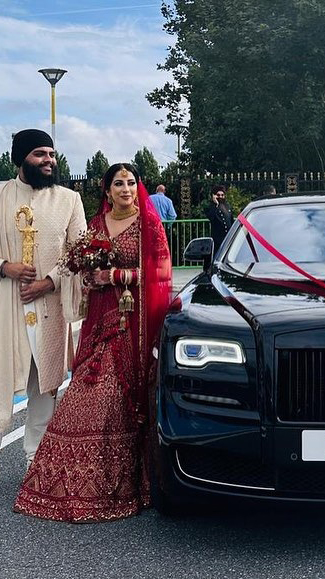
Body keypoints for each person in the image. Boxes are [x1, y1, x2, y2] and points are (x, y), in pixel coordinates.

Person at [14, 163, 171, 522]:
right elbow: (78, 264)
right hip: (99, 321)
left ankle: (121, 483)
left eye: (131, 183)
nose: (126, 189)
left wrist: (115, 275)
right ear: (107, 189)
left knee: (113, 398)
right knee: (81, 396)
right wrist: (87, 273)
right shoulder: (97, 226)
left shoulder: (148, 224)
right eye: (119, 183)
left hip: (132, 324)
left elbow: (160, 271)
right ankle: (68, 483)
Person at [0, 129, 86, 465]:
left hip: (49, 307)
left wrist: (49, 281)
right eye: (39, 154)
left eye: (51, 154)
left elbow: (80, 251)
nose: (48, 160)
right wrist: (4, 266)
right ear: (20, 158)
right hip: (7, 305)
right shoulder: (1, 195)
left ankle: (35, 461)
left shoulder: (68, 199)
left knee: (45, 387)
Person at [205, 184, 233, 253]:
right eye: (218, 195)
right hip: (217, 239)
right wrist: (216, 204)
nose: (220, 197)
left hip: (227, 238)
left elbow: (231, 220)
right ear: (214, 196)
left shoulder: (227, 206)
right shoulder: (211, 207)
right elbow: (211, 217)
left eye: (222, 195)